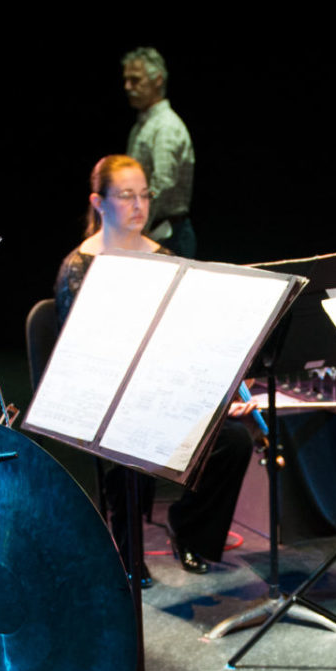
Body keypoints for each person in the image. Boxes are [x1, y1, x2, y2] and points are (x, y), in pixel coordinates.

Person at [53, 155, 251, 576]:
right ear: (98, 202)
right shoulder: (80, 267)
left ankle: (191, 530)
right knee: (132, 437)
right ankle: (127, 556)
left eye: (145, 195)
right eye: (126, 196)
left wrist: (217, 388)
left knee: (233, 441)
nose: (139, 205)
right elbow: (82, 358)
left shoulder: (165, 257)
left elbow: (187, 340)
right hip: (103, 398)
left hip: (160, 389)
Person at [121, 47, 196, 258]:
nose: (128, 87)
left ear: (158, 80)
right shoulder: (142, 126)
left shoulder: (166, 126)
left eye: (135, 80)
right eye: (126, 80)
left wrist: (137, 224)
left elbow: (163, 183)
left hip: (167, 235)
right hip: (151, 232)